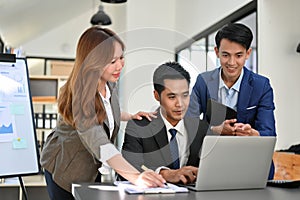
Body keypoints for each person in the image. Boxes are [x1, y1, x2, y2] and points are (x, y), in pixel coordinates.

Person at [40, 26, 165, 200]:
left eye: (121, 57)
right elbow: (100, 143)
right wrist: (135, 176)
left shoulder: (108, 81)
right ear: (93, 63)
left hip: (90, 166)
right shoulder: (81, 96)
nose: (120, 65)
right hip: (65, 167)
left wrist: (129, 116)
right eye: (112, 61)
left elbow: (106, 110)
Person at [187, 23, 276, 179]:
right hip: (211, 161)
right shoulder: (204, 82)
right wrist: (215, 129)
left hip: (251, 162)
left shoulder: (262, 86)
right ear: (216, 52)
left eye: (239, 55)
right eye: (226, 55)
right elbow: (189, 123)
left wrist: (252, 134)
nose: (232, 62)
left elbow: (269, 133)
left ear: (248, 53)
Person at [121, 61, 209, 184]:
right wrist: (165, 174)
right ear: (156, 96)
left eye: (185, 95)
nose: (180, 104)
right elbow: (127, 169)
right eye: (172, 97)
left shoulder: (201, 128)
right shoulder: (139, 127)